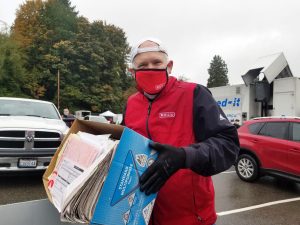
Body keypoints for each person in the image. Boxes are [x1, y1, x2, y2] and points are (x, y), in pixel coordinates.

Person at [122, 38, 240, 225]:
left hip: (189, 218)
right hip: (139, 216)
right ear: (132, 72)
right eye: (143, 65)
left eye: (156, 63)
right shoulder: (131, 104)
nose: (150, 68)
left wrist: (184, 156)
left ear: (169, 66)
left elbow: (228, 145)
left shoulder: (194, 94)